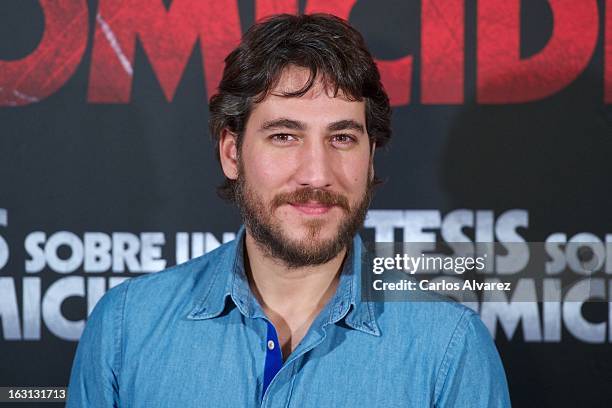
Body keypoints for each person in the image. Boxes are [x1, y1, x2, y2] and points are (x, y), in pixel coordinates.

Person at [67, 13, 511, 407]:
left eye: (342, 138)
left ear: (370, 156)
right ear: (231, 153)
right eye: (284, 136)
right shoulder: (126, 328)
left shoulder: (449, 349)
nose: (317, 175)